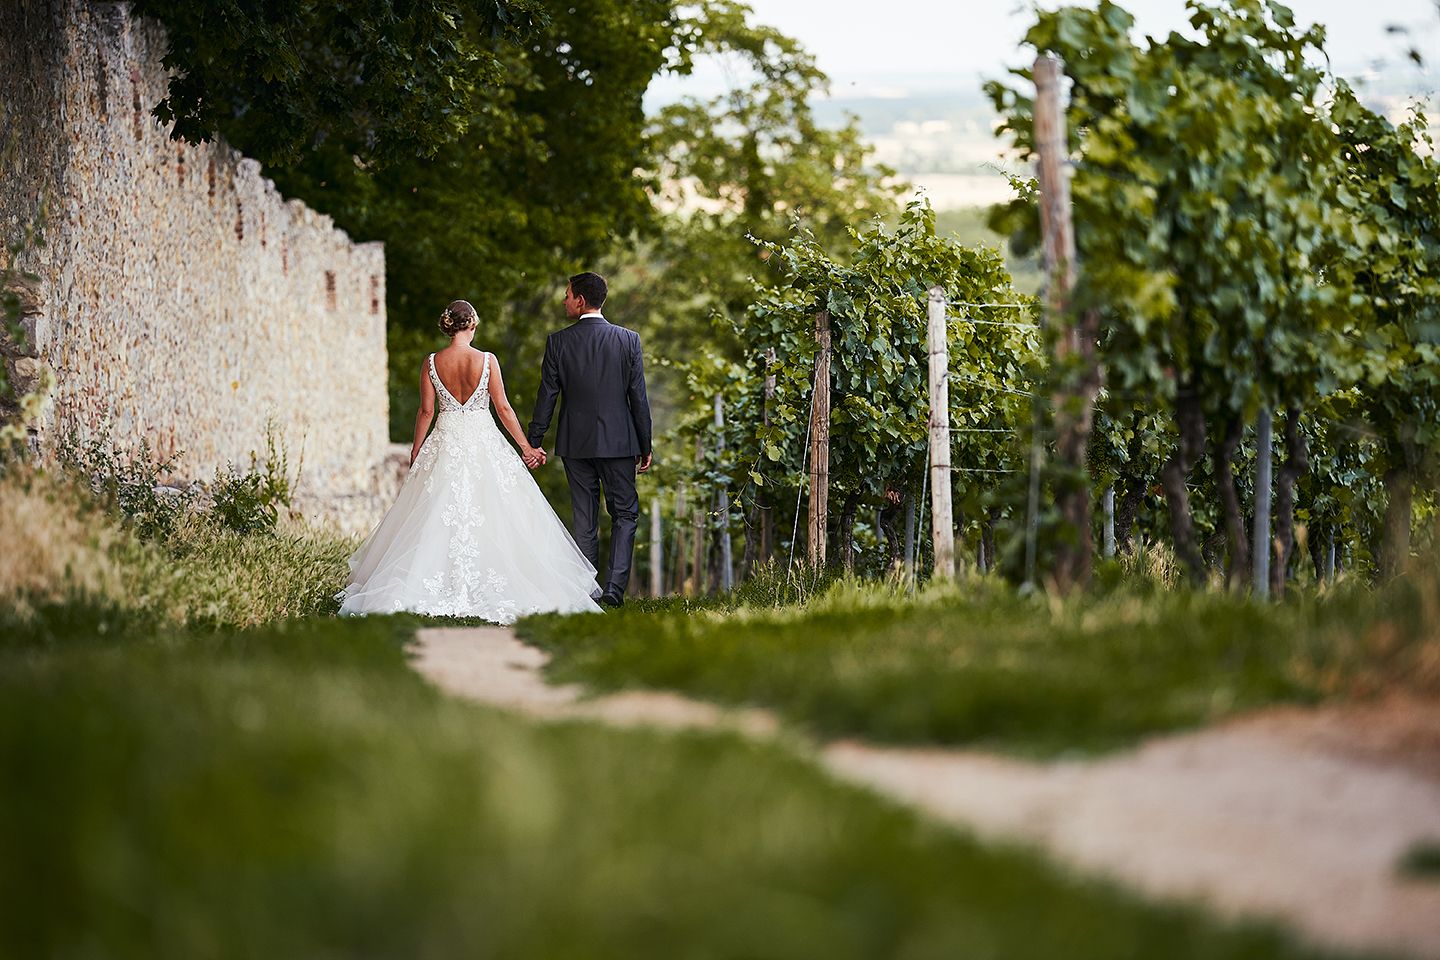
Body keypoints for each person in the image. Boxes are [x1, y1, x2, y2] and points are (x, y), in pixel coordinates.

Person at [337, 299, 601, 622]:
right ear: (472, 325)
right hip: (482, 439)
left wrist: (417, 450)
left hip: (445, 439)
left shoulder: (432, 362)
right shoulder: (487, 360)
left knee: (433, 512)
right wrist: (526, 447)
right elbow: (503, 408)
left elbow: (426, 412)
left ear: (449, 326)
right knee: (496, 510)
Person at [527, 272, 652, 608]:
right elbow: (637, 397)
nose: (564, 301)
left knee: (585, 518)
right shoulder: (628, 340)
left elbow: (547, 397)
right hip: (619, 443)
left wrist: (533, 440)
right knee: (625, 514)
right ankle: (614, 588)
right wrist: (645, 444)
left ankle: (586, 591)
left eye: (567, 295)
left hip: (575, 443)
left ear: (580, 301)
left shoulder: (558, 342)